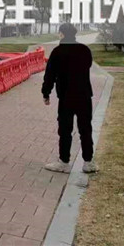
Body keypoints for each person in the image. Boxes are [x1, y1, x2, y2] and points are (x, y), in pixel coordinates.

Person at [41, 23, 97, 173]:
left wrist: (46, 93)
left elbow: (50, 75)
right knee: (85, 128)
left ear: (62, 34)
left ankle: (64, 162)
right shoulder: (85, 50)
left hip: (66, 97)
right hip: (84, 95)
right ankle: (88, 162)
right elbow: (87, 66)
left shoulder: (57, 52)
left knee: (65, 130)